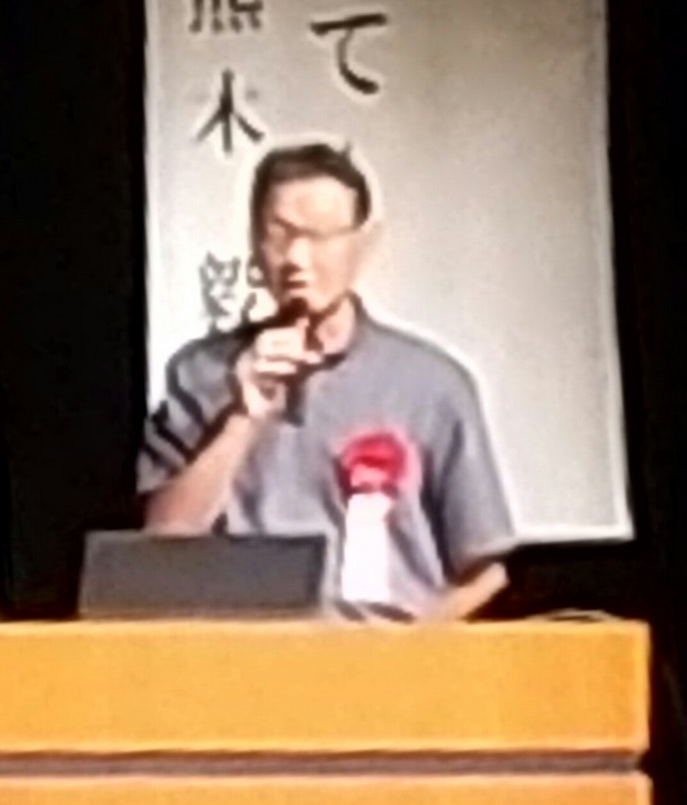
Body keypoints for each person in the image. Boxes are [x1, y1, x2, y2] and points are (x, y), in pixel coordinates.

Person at [138, 141, 515, 619]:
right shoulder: (201, 374)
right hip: (242, 649)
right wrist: (242, 418)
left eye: (318, 236)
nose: (297, 258)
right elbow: (161, 546)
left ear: (363, 243)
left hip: (382, 652)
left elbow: (485, 571)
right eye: (279, 235)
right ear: (254, 241)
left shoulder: (432, 384)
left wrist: (412, 645)